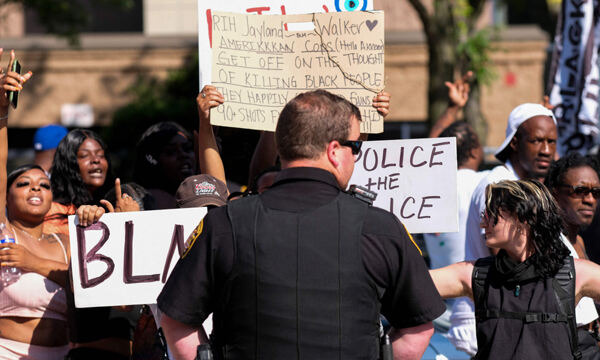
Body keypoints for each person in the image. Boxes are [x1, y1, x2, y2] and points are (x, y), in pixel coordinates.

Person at [157, 89, 445, 360]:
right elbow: (417, 330)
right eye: (355, 146)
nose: (357, 155)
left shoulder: (225, 223)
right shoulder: (380, 228)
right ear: (334, 151)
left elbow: (175, 319)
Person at [430, 179, 600, 359]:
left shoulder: (575, 274)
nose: (482, 223)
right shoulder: (476, 274)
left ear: (522, 217)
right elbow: (410, 281)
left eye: (491, 214)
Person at [0, 49, 71, 359]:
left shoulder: (68, 242)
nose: (35, 188)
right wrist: (2, 110)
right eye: (24, 183)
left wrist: (34, 263)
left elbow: (89, 289)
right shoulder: (3, 233)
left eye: (44, 185)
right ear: (6, 194)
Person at [545, 153, 600, 358]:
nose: (590, 199)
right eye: (580, 191)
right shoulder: (548, 244)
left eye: (596, 192)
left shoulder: (580, 241)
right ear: (554, 194)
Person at [45, 129, 114, 235]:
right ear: (67, 164)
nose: (96, 160)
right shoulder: (53, 212)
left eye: (101, 155)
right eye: (84, 155)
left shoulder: (113, 205)